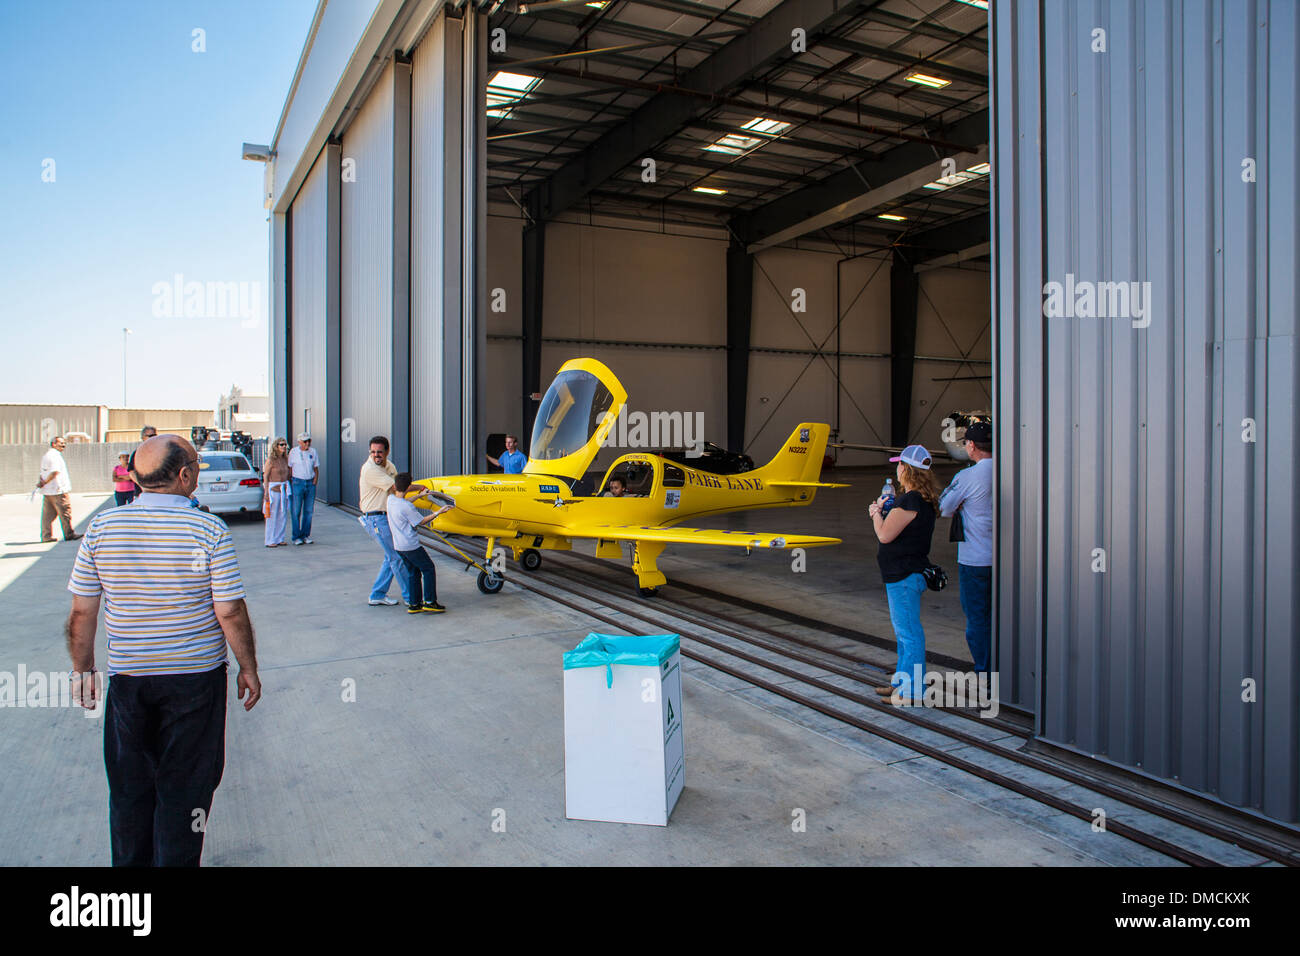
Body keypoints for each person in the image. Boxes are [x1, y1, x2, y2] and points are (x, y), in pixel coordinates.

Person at [65, 434, 261, 866]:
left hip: (130, 683)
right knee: (186, 791)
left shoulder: (102, 528)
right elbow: (229, 611)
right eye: (195, 465)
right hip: (195, 684)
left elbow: (82, 613)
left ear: (135, 477)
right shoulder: (209, 530)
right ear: (186, 476)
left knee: (131, 791)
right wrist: (248, 667)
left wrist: (83, 670)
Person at [869, 444, 940, 704]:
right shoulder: (920, 499)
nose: (896, 469)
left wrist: (876, 514)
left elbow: (885, 534)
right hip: (905, 573)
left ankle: (912, 691)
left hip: (903, 575)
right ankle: (901, 681)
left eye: (899, 464)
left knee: (909, 634)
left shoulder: (911, 500)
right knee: (904, 632)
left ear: (906, 469)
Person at [939, 421, 994, 673]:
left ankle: (985, 670)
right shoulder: (1011, 471)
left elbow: (945, 507)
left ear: (971, 446)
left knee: (977, 617)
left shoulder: (968, 475)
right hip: (1007, 560)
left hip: (975, 559)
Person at [359, 436, 414, 607]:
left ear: (387, 452)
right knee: (396, 556)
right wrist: (424, 487)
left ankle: (377, 594)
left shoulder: (390, 467)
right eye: (373, 452)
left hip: (387, 516)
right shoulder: (369, 469)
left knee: (390, 557)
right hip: (375, 518)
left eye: (380, 452)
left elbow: (399, 493)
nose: (376, 455)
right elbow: (397, 487)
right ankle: (411, 597)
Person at [387, 472, 453, 613]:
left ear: (394, 486)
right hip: (411, 546)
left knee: (413, 572)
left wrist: (420, 496)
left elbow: (404, 503)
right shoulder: (407, 507)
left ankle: (414, 604)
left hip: (398, 546)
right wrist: (439, 512)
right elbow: (421, 521)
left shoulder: (390, 500)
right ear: (409, 487)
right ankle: (430, 602)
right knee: (428, 568)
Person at [37, 435, 80, 542]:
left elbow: (43, 472)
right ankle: (69, 534)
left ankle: (46, 536)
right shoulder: (55, 456)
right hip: (58, 490)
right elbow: (55, 472)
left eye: (64, 443)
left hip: (48, 491)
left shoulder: (46, 455)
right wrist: (45, 482)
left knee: (47, 515)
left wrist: (42, 483)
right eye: (60, 443)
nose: (63, 445)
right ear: (53, 444)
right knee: (65, 512)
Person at [287, 432, 320, 545]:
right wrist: (292, 481)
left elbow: (316, 468)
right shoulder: (293, 452)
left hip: (310, 482)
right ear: (299, 442)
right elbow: (290, 468)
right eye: (305, 441)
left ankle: (305, 535)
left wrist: (315, 481)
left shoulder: (313, 452)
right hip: (297, 482)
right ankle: (296, 536)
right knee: (296, 510)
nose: (307, 444)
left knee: (308, 511)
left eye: (309, 441)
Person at [262, 438, 291, 547]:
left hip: (283, 489)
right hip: (273, 490)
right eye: (281, 444)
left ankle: (280, 538)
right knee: (272, 516)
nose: (284, 447)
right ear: (276, 446)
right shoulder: (271, 460)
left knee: (282, 514)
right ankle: (270, 540)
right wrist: (266, 492)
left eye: (285, 445)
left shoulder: (285, 459)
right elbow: (265, 476)